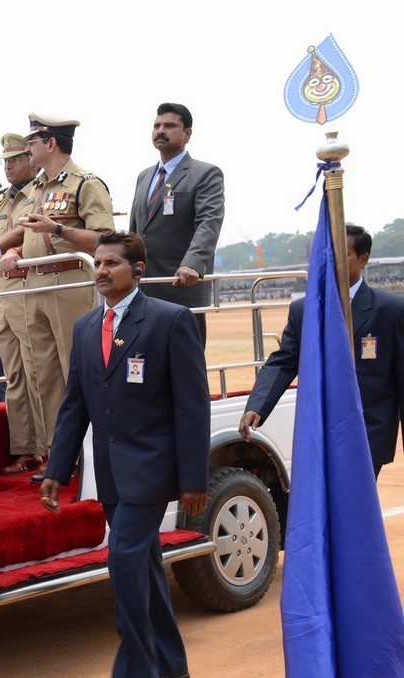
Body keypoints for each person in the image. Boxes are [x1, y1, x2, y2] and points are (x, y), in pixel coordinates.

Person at [40, 232, 209, 678]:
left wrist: (194, 478)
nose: (100, 270)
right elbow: (75, 404)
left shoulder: (169, 320)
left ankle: (136, 667)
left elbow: (192, 405)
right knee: (147, 570)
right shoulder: (85, 327)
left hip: (152, 470)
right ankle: (172, 667)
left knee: (124, 557)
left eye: (111, 263)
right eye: (97, 263)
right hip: (112, 473)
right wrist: (57, 469)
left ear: (137, 271)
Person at [0, 114, 114, 481]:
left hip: (68, 285)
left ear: (51, 144)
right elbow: (19, 233)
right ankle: (57, 454)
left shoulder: (86, 184)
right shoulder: (33, 191)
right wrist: (6, 252)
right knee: (43, 376)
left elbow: (105, 239)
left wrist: (59, 228)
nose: (27, 148)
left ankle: (95, 454)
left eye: (32, 142)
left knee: (76, 371)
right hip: (34, 285)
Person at [240, 225, 404, 478]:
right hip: (318, 428)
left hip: (367, 431)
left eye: (342, 255)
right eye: (328, 255)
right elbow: (284, 362)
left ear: (363, 259)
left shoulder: (391, 310)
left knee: (353, 505)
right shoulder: (303, 310)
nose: (332, 262)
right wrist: (258, 405)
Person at [129, 102, 225, 343]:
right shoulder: (144, 176)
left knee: (185, 365)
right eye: (157, 125)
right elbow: (135, 230)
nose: (161, 130)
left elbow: (209, 222)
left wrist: (193, 263)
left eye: (170, 126)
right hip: (143, 289)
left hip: (181, 285)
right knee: (144, 363)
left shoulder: (204, 173)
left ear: (187, 134)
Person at [0, 133, 46, 475]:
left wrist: (14, 251)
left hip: (33, 287)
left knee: (41, 373)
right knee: (14, 375)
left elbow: (42, 238)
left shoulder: (42, 194)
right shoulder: (0, 200)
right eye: (6, 161)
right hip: (3, 290)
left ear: (32, 158)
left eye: (16, 159)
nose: (10, 166)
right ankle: (26, 449)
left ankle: (55, 448)